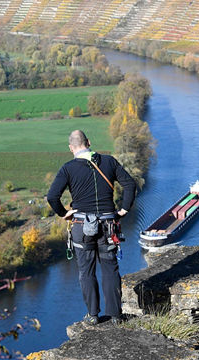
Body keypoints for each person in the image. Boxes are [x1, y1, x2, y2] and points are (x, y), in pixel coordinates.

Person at [47, 130, 136, 326]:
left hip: (81, 227)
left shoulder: (68, 168)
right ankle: (115, 315)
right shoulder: (109, 162)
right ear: (89, 142)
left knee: (86, 272)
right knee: (110, 268)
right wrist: (124, 210)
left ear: (71, 148)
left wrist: (64, 213)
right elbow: (130, 185)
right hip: (108, 226)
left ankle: (93, 315)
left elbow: (52, 197)